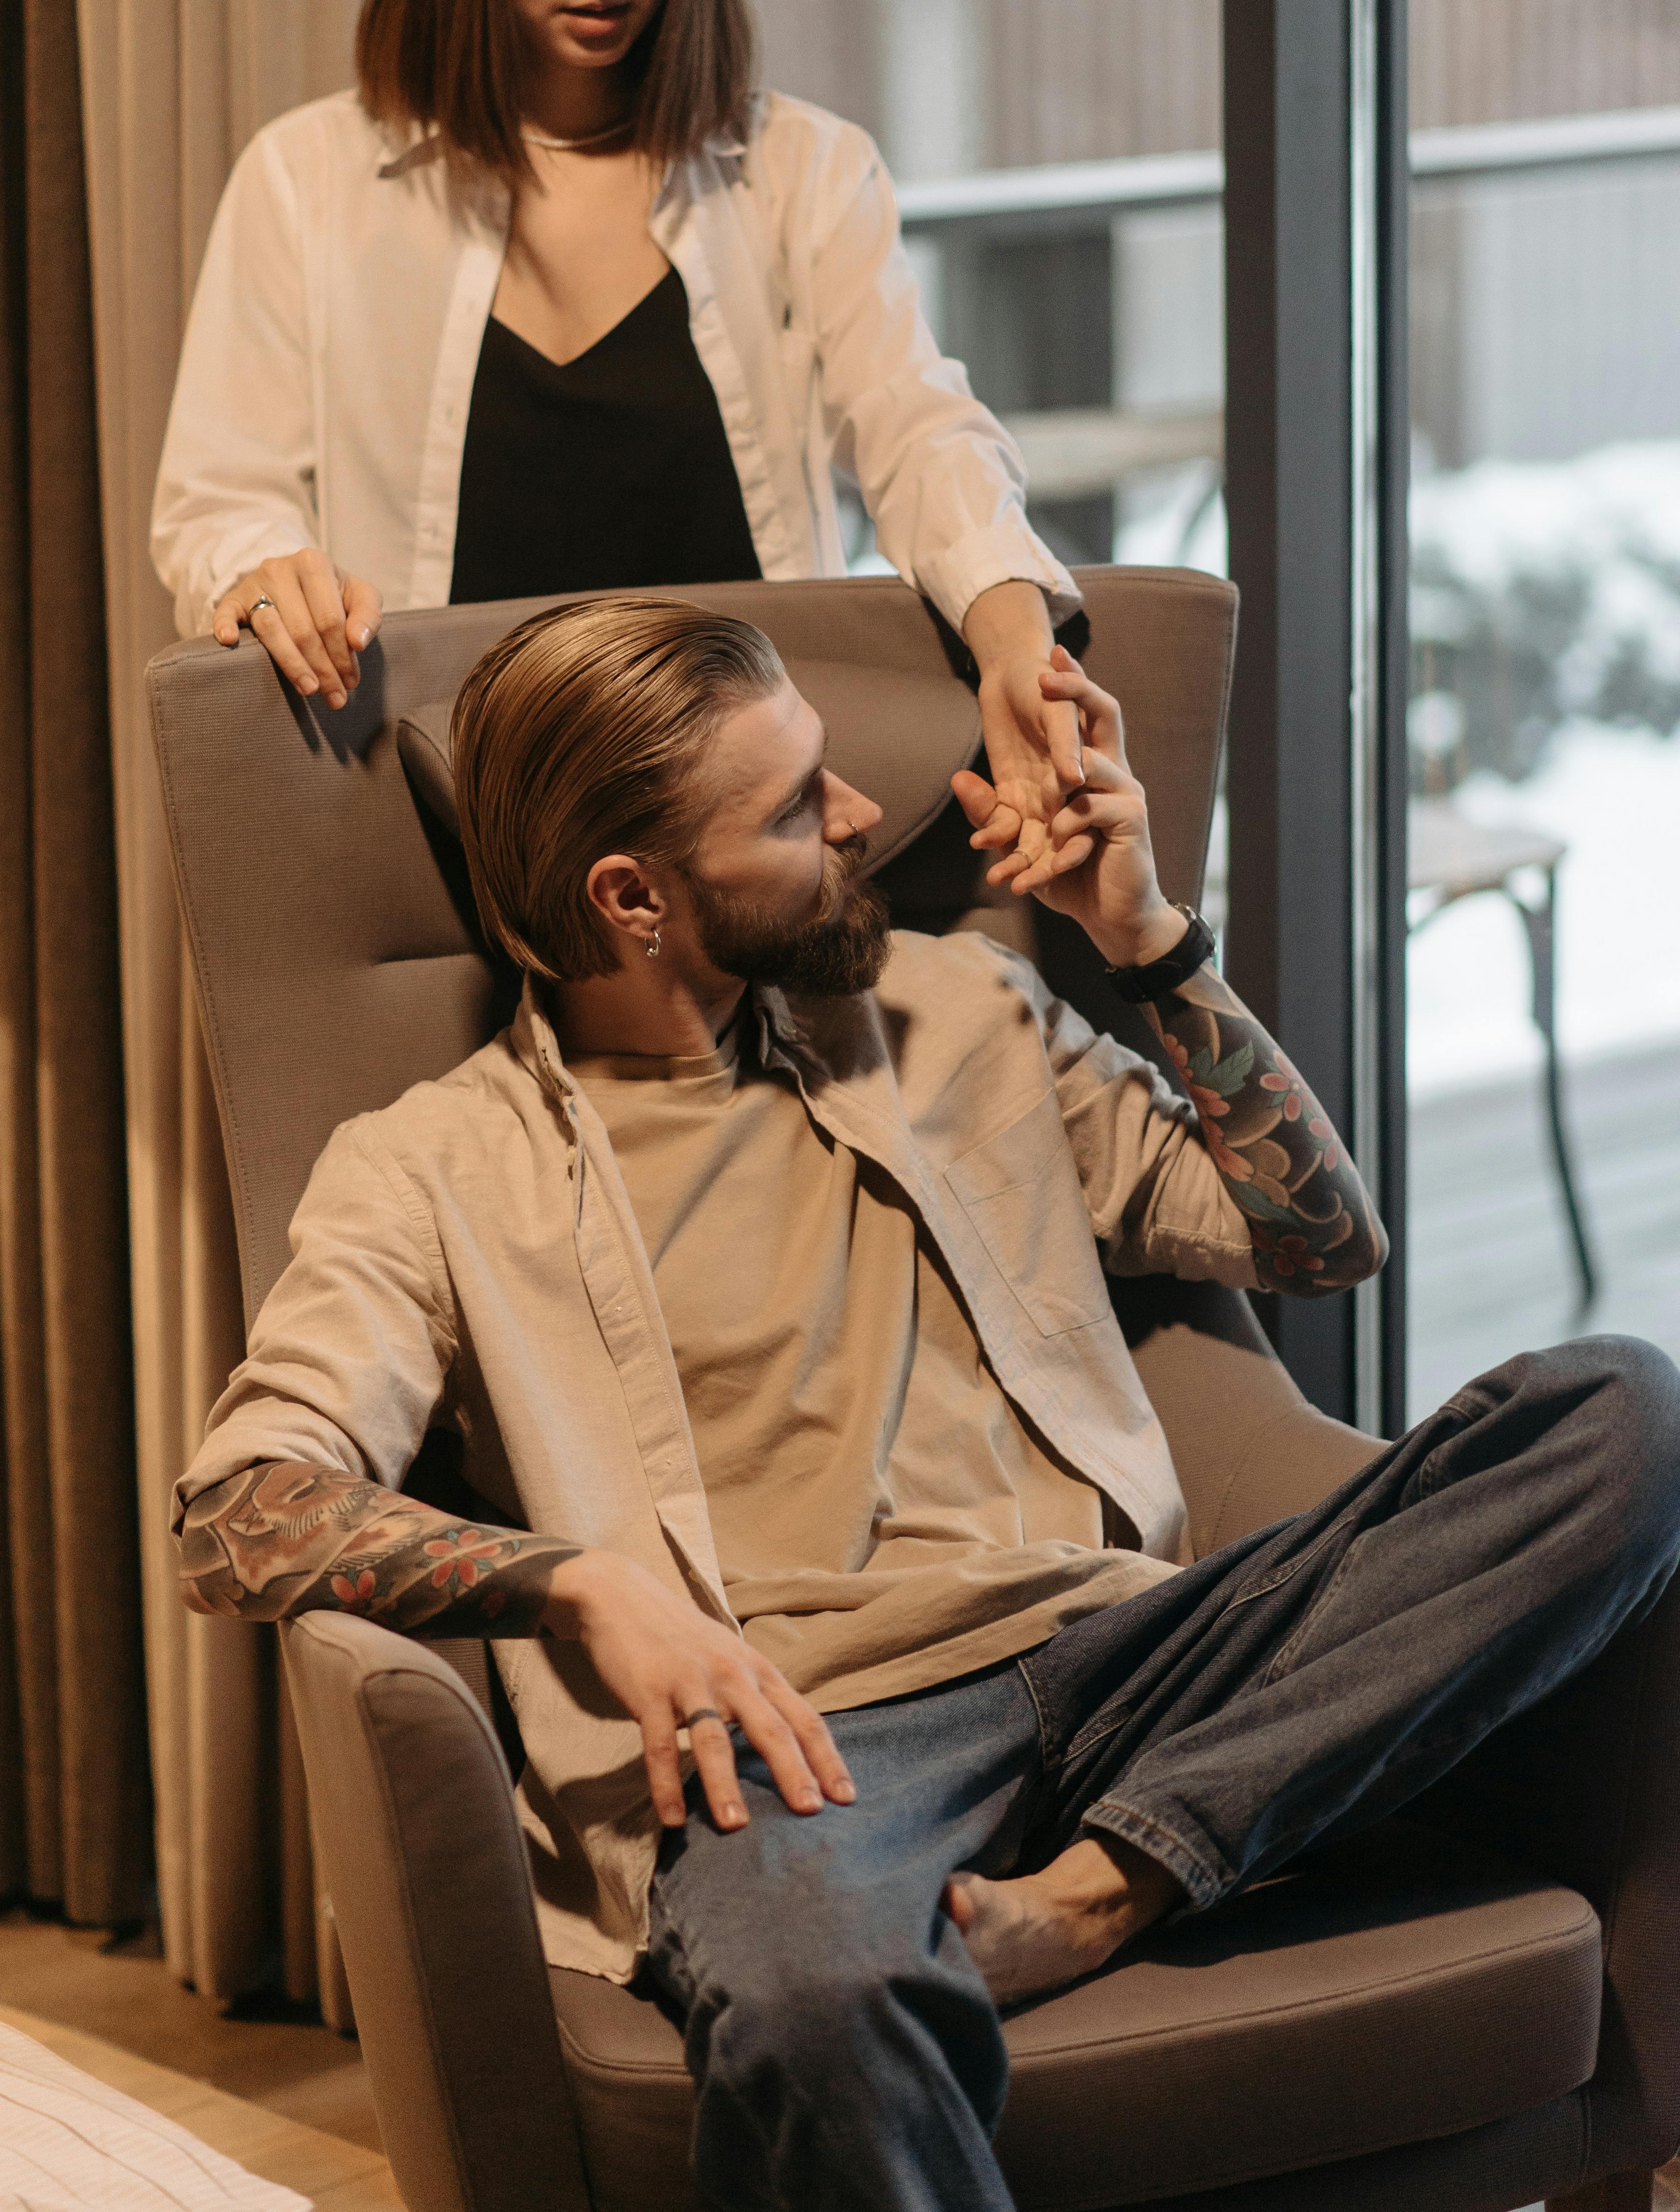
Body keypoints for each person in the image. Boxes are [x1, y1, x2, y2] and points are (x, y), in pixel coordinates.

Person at [173, 597, 1680, 2212]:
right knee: (811, 2007)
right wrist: (580, 1584)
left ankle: (1106, 1887)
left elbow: (1313, 1238)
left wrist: (1148, 937)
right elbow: (236, 1503)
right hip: (812, 1748)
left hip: (1147, 1649)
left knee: (1621, 1411)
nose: (859, 819)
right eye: (790, 808)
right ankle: (1166, 1860)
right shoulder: (425, 1170)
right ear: (633, 897)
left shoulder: (952, 1008)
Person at [151, 0, 1085, 892]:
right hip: (459, 839)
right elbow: (220, 506)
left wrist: (1014, 629)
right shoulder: (307, 181)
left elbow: (921, 430)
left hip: (752, 844)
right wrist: (266, 574)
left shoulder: (804, 172)